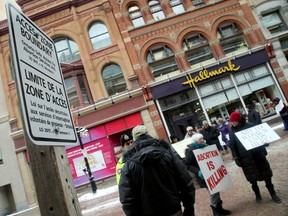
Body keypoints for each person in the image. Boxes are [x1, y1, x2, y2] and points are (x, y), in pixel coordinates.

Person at [119, 125, 196, 216]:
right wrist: (189, 207)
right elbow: (185, 181)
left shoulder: (128, 164)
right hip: (173, 210)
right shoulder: (168, 154)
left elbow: (127, 199)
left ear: (135, 139)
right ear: (148, 134)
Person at [229, 111, 282, 203]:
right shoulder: (232, 132)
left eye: (234, 121)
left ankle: (273, 194)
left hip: (258, 155)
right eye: (231, 121)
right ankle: (257, 195)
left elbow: (260, 137)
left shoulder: (250, 126)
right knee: (252, 180)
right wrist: (236, 158)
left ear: (239, 120)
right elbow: (233, 147)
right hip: (245, 159)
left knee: (267, 177)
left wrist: (265, 143)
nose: (232, 123)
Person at [185, 133, 231, 216]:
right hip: (203, 175)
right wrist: (198, 171)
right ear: (196, 141)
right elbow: (187, 164)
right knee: (213, 193)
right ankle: (215, 211)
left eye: (202, 138)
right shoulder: (191, 150)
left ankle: (219, 208)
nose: (203, 140)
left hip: (213, 172)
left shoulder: (207, 146)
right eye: (200, 139)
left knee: (217, 190)